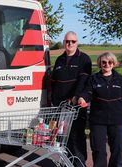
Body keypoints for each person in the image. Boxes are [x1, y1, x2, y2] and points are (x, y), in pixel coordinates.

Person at [78, 52, 122, 167]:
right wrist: (82, 98)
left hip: (117, 120)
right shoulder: (93, 79)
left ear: (114, 64)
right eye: (104, 62)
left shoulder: (121, 80)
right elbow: (87, 93)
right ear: (100, 63)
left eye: (110, 62)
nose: (107, 64)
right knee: (98, 150)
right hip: (98, 121)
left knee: (117, 149)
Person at [51, 31, 92, 166]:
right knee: (64, 136)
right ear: (64, 42)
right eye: (67, 41)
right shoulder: (59, 60)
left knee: (77, 136)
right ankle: (67, 162)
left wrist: (76, 96)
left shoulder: (84, 59)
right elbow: (55, 82)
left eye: (73, 41)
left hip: (74, 106)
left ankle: (79, 163)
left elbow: (83, 80)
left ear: (77, 42)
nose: (69, 44)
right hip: (61, 106)